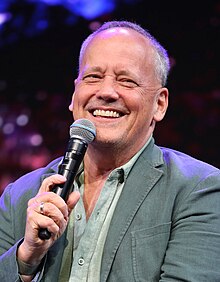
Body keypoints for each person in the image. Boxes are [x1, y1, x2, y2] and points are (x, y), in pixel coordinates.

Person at [0, 20, 220, 282]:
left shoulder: (199, 189)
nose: (106, 92)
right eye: (93, 77)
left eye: (127, 81)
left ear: (159, 104)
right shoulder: (20, 196)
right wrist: (26, 259)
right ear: (74, 95)